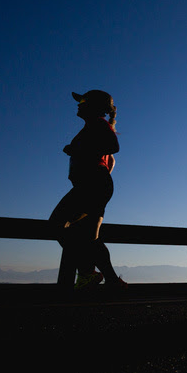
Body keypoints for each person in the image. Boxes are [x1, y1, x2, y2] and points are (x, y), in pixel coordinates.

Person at [49, 90, 127, 292]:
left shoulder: (97, 124)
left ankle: (86, 272)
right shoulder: (93, 126)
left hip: (92, 184)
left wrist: (77, 150)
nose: (78, 104)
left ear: (94, 106)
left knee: (56, 224)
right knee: (90, 237)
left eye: (83, 101)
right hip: (95, 184)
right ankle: (110, 280)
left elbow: (113, 146)